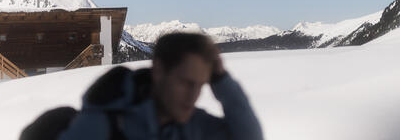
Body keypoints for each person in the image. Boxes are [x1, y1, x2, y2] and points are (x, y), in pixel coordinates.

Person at [57, 32, 263, 140]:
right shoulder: (102, 125)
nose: (193, 96)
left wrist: (221, 80)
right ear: (159, 71)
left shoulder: (192, 124)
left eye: (201, 85)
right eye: (186, 83)